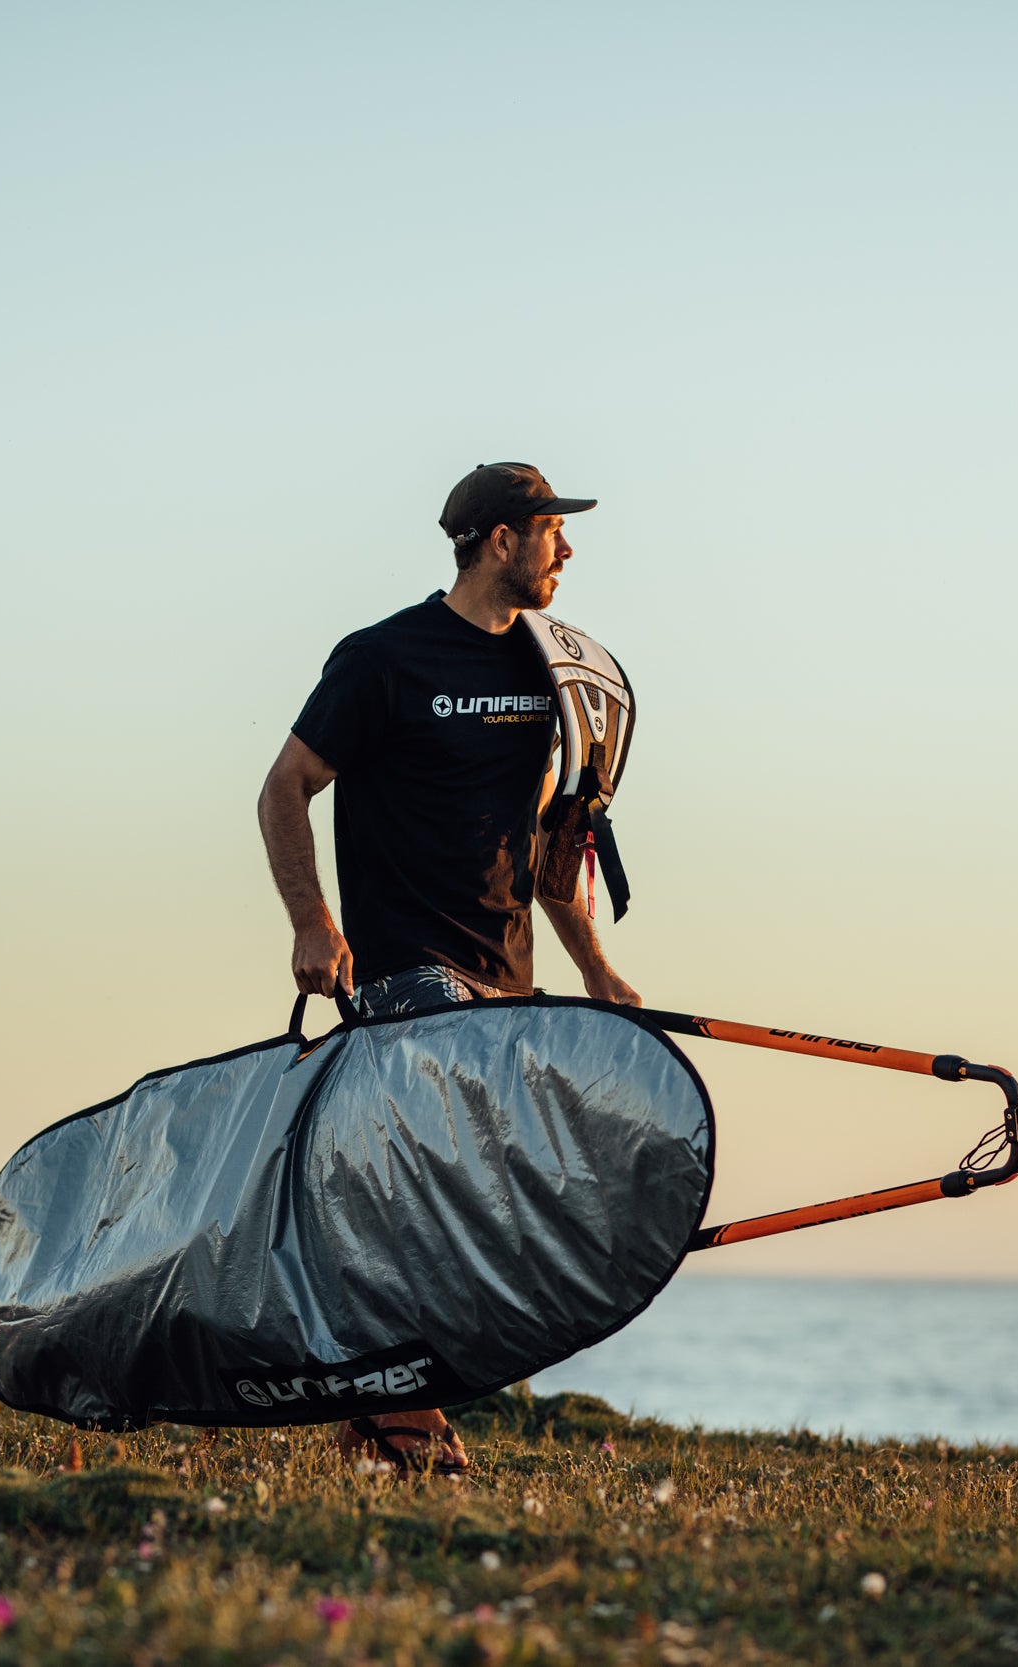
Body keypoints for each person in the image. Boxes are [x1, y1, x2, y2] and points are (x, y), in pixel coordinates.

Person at [255, 460, 644, 1473]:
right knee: (441, 1191)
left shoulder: (553, 671)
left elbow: (551, 845)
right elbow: (284, 787)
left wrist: (597, 971)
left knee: (476, 1201)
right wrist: (310, 921)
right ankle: (409, 1419)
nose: (568, 548)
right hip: (404, 975)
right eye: (551, 529)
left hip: (502, 982)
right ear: (497, 539)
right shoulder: (385, 658)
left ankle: (371, 1411)